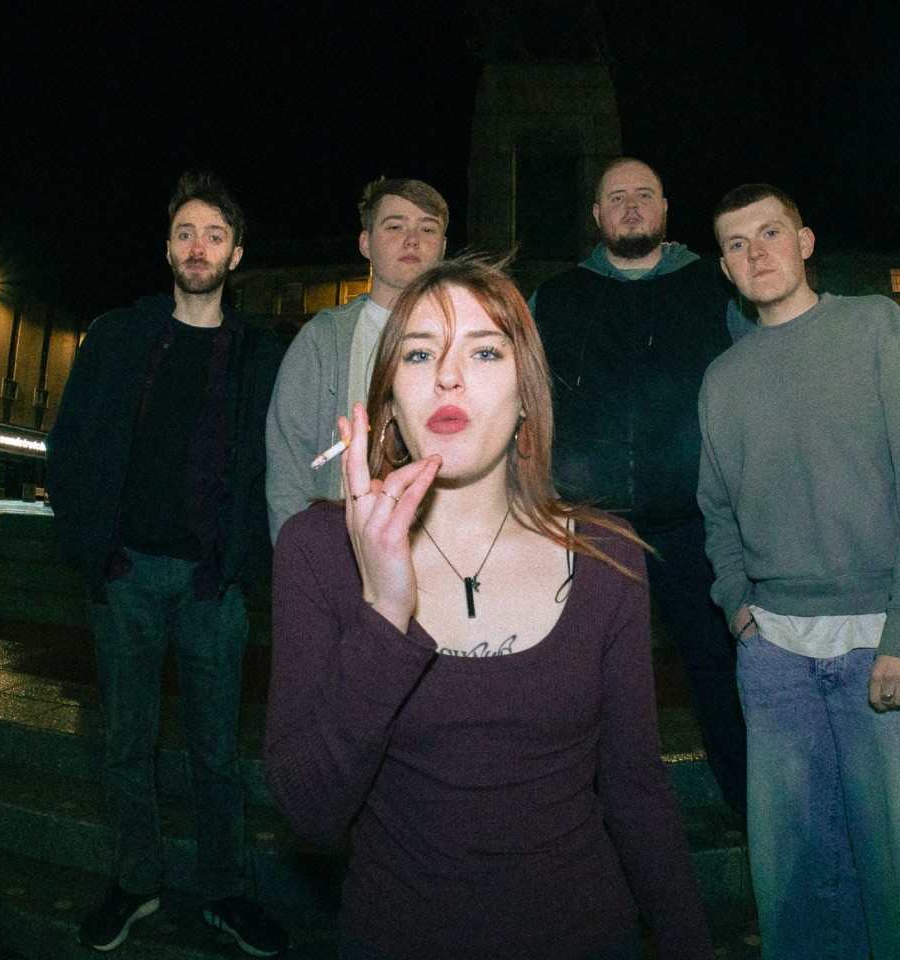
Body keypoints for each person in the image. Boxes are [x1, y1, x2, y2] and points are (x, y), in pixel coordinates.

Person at [264, 258, 713, 960]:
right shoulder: (317, 549)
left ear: (527, 393)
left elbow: (636, 788)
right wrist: (385, 607)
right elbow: (309, 810)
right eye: (418, 353)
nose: (448, 376)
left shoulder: (608, 560)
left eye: (483, 350)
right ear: (388, 403)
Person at [699, 184, 900, 959]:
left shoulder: (878, 327)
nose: (758, 252)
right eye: (738, 245)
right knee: (794, 891)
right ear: (725, 267)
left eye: (770, 232)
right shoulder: (722, 380)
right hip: (775, 660)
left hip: (883, 643)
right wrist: (738, 611)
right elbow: (717, 511)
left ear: (805, 240)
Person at [47, 171, 289, 956]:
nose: (198, 247)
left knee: (218, 752)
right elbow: (69, 445)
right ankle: (136, 881)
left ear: (236, 254)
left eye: (214, 235)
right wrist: (96, 552)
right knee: (127, 742)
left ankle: (224, 891)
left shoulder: (261, 353)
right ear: (166, 249)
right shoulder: (118, 335)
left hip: (211, 586)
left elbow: (275, 464)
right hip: (125, 579)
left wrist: (240, 560)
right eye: (186, 233)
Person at [529, 157, 746, 815]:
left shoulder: (716, 289)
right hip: (590, 529)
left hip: (694, 523)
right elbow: (523, 401)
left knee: (715, 671)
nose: (630, 206)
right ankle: (583, 827)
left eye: (643, 195)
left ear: (664, 209)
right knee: (584, 687)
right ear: (596, 216)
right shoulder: (555, 298)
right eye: (616, 197)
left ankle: (751, 809)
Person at [265, 176, 448, 538]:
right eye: (394, 226)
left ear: (442, 247)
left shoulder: (464, 340)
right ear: (365, 243)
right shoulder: (323, 340)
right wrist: (306, 564)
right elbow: (288, 466)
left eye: (427, 228)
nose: (412, 239)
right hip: (344, 548)